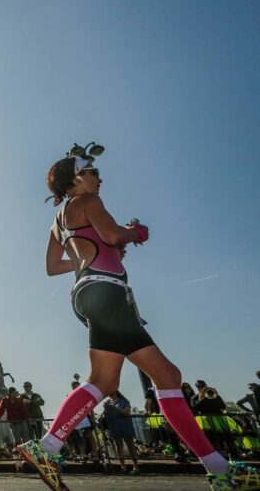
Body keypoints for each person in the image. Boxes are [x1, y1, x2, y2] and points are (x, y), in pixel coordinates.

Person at [16, 146, 260, 490]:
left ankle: (49, 446)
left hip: (86, 293)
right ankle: (219, 471)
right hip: (109, 292)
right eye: (93, 172)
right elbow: (114, 235)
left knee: (124, 379)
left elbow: (53, 267)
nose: (99, 178)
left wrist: (99, 251)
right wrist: (133, 233)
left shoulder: (57, 221)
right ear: (76, 178)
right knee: (142, 379)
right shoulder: (88, 201)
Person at [104, 391, 139, 475]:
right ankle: (123, 466)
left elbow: (127, 412)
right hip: (114, 426)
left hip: (125, 424)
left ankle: (135, 466)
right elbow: (106, 416)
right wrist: (106, 410)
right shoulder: (109, 402)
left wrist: (115, 408)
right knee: (118, 446)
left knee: (130, 445)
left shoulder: (124, 401)